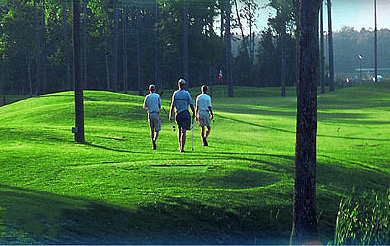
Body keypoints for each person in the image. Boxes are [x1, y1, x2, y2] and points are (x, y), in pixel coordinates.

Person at [169, 78, 195, 152]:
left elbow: (172, 106)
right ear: (183, 85)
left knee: (179, 130)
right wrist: (194, 113)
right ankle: (182, 148)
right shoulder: (186, 93)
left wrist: (170, 115)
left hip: (178, 114)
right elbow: (191, 104)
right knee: (184, 131)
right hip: (185, 113)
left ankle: (180, 146)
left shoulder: (175, 94)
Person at [143, 84, 161, 150]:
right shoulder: (157, 96)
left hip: (150, 114)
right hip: (156, 114)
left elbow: (145, 107)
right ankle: (154, 140)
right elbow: (159, 106)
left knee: (152, 129)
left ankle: (153, 143)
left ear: (149, 90)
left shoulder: (147, 97)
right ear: (155, 89)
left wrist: (149, 107)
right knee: (157, 130)